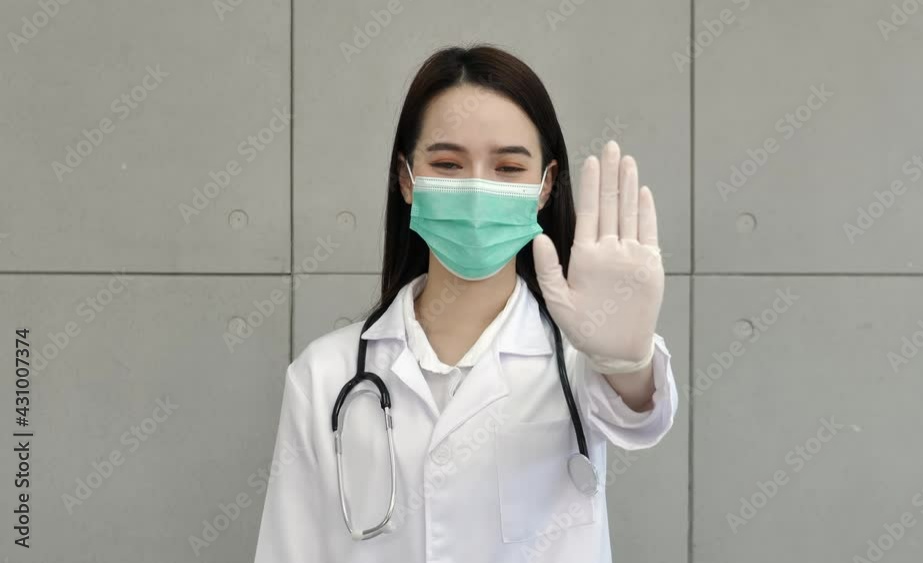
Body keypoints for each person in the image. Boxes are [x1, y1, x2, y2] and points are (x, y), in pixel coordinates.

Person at [253, 44, 678, 563]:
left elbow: (640, 418)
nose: (477, 189)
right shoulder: (325, 375)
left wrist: (627, 362)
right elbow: (287, 549)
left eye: (508, 168)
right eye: (449, 163)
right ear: (407, 178)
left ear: (545, 187)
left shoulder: (581, 361)